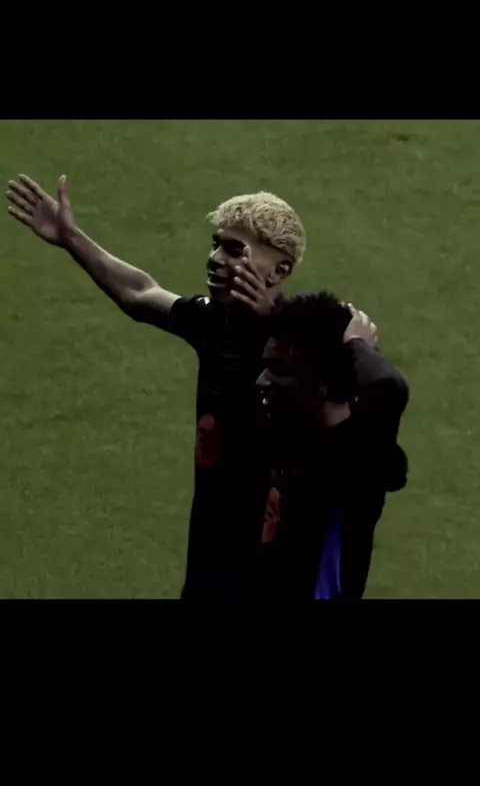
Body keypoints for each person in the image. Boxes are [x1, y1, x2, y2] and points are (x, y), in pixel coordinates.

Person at [6, 174, 307, 599]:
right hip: (210, 548)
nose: (215, 258)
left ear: (280, 270)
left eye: (234, 249)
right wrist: (71, 238)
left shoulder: (302, 342)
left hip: (272, 561)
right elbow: (140, 293)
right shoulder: (215, 322)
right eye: (216, 244)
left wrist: (273, 322)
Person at [255, 292, 409, 600]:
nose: (261, 381)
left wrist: (358, 345)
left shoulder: (359, 461)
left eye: (278, 370)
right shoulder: (289, 429)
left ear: (323, 383)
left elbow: (389, 387)